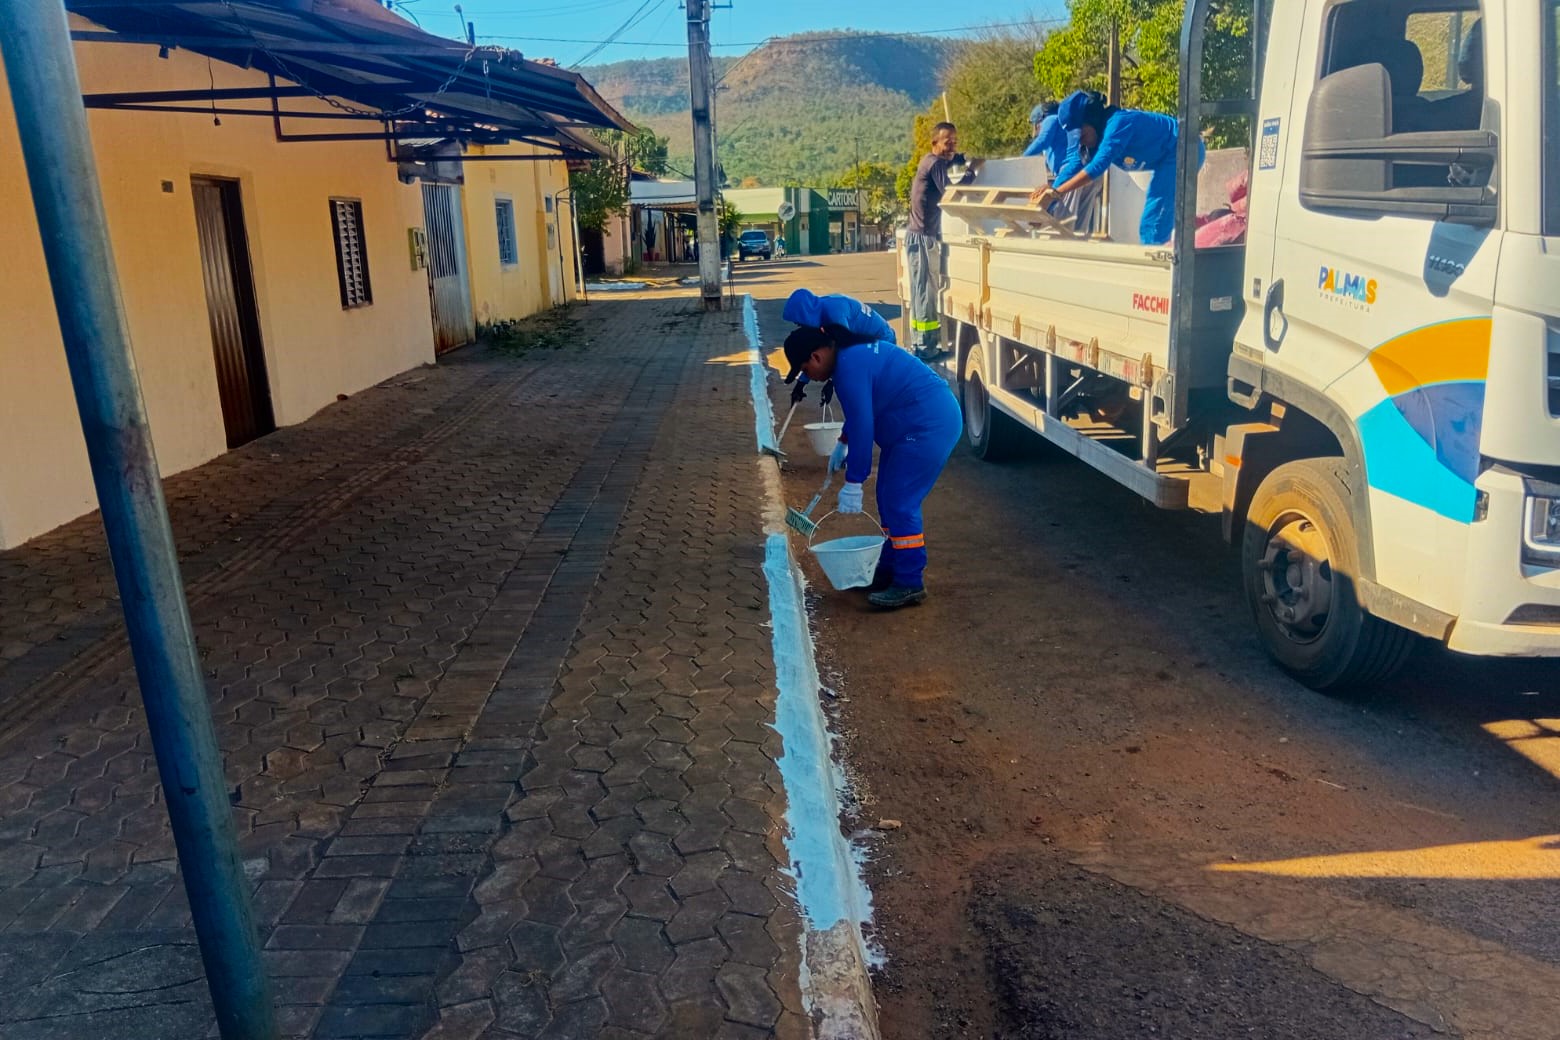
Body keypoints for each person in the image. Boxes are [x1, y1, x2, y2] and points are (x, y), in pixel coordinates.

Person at [781, 317, 962, 610]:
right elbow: (860, 411)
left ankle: (909, 581)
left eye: (805, 369)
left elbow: (864, 425)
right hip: (913, 426)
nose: (810, 377)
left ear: (816, 356)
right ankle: (889, 568)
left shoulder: (849, 367)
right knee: (887, 497)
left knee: (899, 502)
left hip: (927, 425)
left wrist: (854, 481)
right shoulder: (850, 358)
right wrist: (842, 441)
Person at [1030, 90, 1202, 246]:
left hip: (1183, 148)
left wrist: (1058, 192)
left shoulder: (1119, 124)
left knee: (1153, 223)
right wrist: (1050, 193)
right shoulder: (1093, 136)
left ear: (1092, 120)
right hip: (1164, 158)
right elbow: (1074, 165)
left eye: (1082, 135)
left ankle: (1160, 275)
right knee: (1154, 222)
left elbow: (1098, 166)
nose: (1081, 141)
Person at [905, 121, 963, 362]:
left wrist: (953, 162)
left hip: (917, 236)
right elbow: (951, 191)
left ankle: (920, 343)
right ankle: (926, 347)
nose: (951, 146)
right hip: (923, 237)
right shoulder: (936, 163)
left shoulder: (928, 161)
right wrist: (965, 172)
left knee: (920, 292)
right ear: (935, 143)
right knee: (926, 294)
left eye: (955, 142)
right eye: (947, 142)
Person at [782, 288, 896, 406]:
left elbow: (844, 351)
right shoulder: (821, 312)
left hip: (882, 341)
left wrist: (831, 382)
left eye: (799, 322)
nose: (799, 326)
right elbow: (810, 355)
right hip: (866, 344)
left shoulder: (834, 313)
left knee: (866, 393)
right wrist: (801, 384)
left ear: (805, 313)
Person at [1023, 97, 1104, 234]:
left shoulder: (1050, 119)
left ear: (1038, 122)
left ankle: (1063, 250)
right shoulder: (1065, 125)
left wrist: (1022, 158)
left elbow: (1042, 141)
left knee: (1064, 223)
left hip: (1073, 174)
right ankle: (1078, 251)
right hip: (1090, 174)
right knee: (1080, 225)